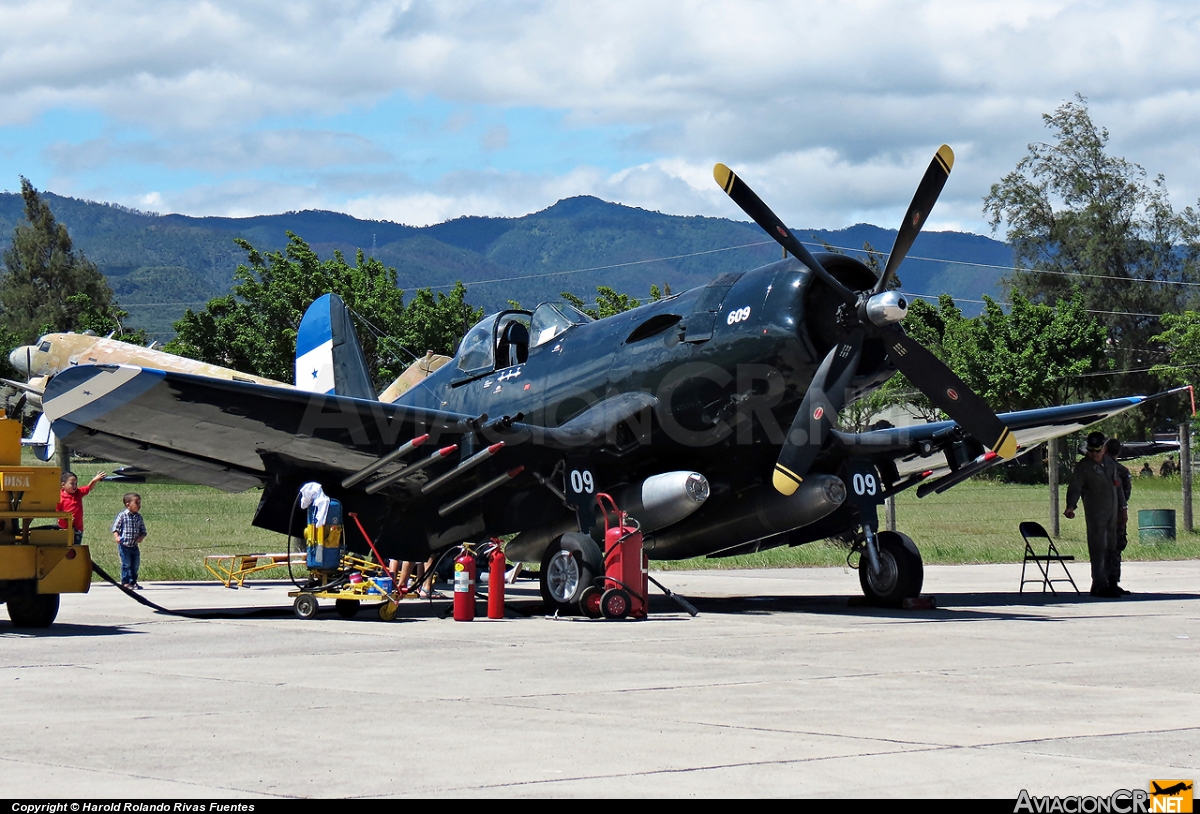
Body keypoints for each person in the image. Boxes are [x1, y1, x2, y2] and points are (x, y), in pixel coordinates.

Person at [1064, 431, 1126, 598]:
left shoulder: (1110, 464)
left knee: (1112, 547)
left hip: (1112, 513)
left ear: (1103, 450)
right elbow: (1075, 487)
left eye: (1097, 451)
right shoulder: (1084, 467)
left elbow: (1117, 486)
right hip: (1096, 514)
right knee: (1098, 548)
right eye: (1091, 451)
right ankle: (1099, 584)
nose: (1094, 455)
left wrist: (1123, 508)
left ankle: (1111, 582)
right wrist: (1071, 506)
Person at [1105, 438, 1132, 594]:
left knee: (1102, 547)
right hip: (1117, 514)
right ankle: (1113, 581)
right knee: (1116, 548)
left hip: (1101, 514)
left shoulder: (1099, 468)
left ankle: (1100, 580)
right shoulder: (1122, 470)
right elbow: (1126, 493)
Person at [57, 469, 107, 545]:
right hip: (64, 530)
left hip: (78, 529)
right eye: (72, 483)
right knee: (65, 549)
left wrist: (94, 480)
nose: (75, 486)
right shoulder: (59, 497)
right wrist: (65, 519)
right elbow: (57, 513)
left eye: (76, 483)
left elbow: (89, 488)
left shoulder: (78, 493)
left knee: (76, 550)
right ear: (63, 485)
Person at [112, 492, 147, 590]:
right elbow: (115, 528)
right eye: (136, 503)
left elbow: (143, 530)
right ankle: (125, 582)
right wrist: (117, 537)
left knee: (135, 564)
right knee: (126, 564)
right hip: (124, 545)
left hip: (134, 545)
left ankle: (133, 582)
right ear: (128, 504)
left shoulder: (139, 517)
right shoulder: (122, 516)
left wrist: (141, 537)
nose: (139, 505)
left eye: (139, 503)